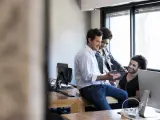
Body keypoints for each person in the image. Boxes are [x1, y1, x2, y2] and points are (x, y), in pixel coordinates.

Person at [74, 28, 128, 110]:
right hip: (89, 89)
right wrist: (105, 77)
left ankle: (118, 115)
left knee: (124, 94)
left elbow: (97, 74)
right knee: (108, 114)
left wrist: (108, 77)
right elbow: (87, 77)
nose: (100, 44)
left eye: (100, 41)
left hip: (100, 86)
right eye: (97, 41)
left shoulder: (93, 53)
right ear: (89, 40)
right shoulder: (84, 54)